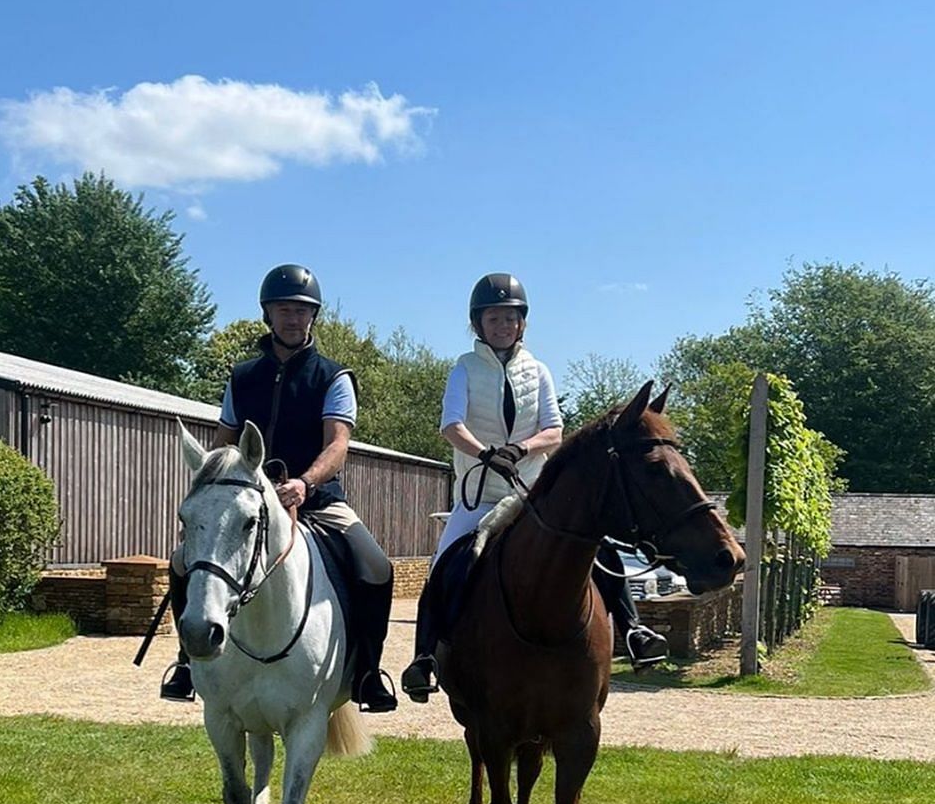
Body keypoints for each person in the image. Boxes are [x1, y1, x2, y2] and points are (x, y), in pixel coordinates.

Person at [400, 272, 669, 700]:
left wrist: (520, 449)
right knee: (444, 564)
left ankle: (634, 629)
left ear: (521, 323)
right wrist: (487, 453)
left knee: (597, 545)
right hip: (480, 494)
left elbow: (555, 431)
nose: (503, 326)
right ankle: (425, 658)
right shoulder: (464, 369)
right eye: (494, 319)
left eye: (510, 318)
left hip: (534, 494)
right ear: (478, 324)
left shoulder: (538, 370)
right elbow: (451, 425)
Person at [161, 264, 398, 713]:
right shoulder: (242, 376)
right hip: (246, 502)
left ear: (314, 317)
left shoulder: (333, 376)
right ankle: (188, 661)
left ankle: (368, 672)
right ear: (268, 314)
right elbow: (223, 447)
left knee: (376, 566)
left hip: (314, 500)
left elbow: (338, 445)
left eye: (302, 311)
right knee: (181, 561)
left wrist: (306, 482)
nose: (293, 318)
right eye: (284, 309)